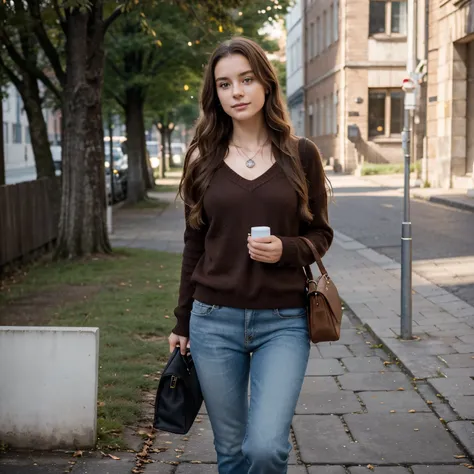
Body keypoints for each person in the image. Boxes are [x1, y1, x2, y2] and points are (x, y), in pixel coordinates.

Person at [168, 37, 333, 474]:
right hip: (212, 321)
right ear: (214, 94)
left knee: (264, 448)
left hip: (283, 321)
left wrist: (287, 249)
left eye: (246, 79)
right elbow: (194, 245)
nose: (236, 92)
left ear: (266, 84)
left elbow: (320, 232)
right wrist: (182, 322)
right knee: (231, 452)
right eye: (224, 84)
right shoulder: (202, 158)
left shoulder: (301, 155)